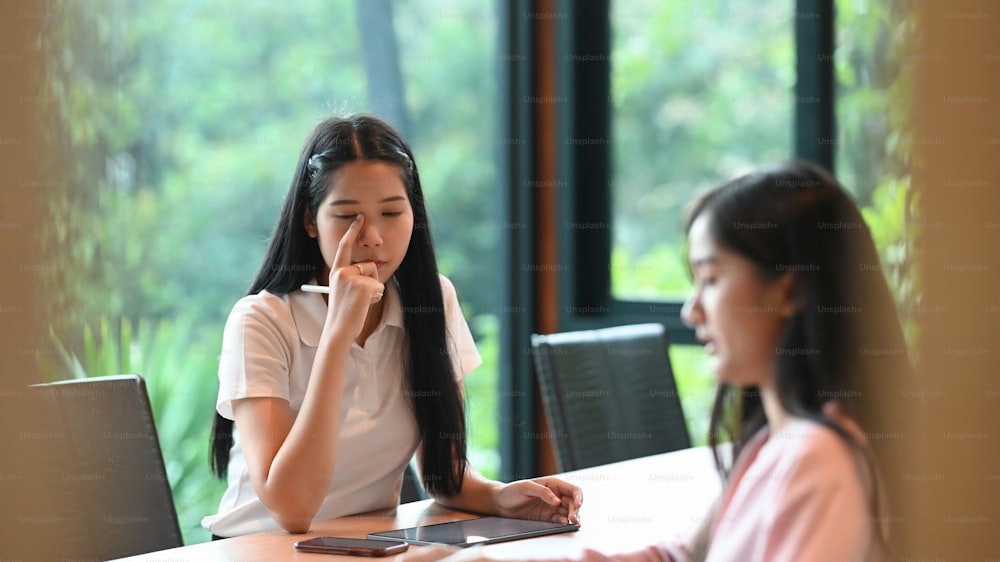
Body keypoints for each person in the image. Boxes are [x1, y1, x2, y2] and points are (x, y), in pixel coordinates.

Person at [399, 161, 909, 561]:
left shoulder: (818, 459)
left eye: (711, 278)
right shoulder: (779, 444)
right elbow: (675, 556)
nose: (693, 310)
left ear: (790, 288)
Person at [202, 115, 583, 538]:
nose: (374, 237)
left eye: (391, 212)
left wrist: (500, 498)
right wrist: (337, 337)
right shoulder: (260, 320)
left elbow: (443, 472)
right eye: (348, 216)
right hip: (256, 549)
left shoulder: (431, 302)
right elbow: (293, 511)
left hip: (367, 546)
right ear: (311, 221)